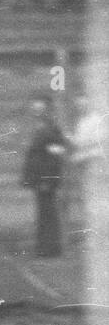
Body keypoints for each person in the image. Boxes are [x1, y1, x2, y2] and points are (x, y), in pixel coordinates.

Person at [21, 96, 69, 257]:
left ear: (47, 110)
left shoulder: (51, 129)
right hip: (38, 177)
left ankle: (51, 249)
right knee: (42, 212)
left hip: (47, 178)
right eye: (35, 110)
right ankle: (43, 247)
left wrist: (49, 178)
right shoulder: (38, 127)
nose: (37, 112)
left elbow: (57, 154)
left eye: (40, 110)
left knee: (48, 213)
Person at [66, 95, 104, 234]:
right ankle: (90, 223)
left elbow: (97, 139)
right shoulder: (81, 121)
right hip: (82, 160)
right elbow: (78, 141)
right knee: (84, 191)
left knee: (94, 190)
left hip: (93, 159)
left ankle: (99, 223)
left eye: (83, 104)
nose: (81, 107)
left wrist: (79, 142)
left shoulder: (97, 119)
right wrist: (71, 138)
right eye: (79, 105)